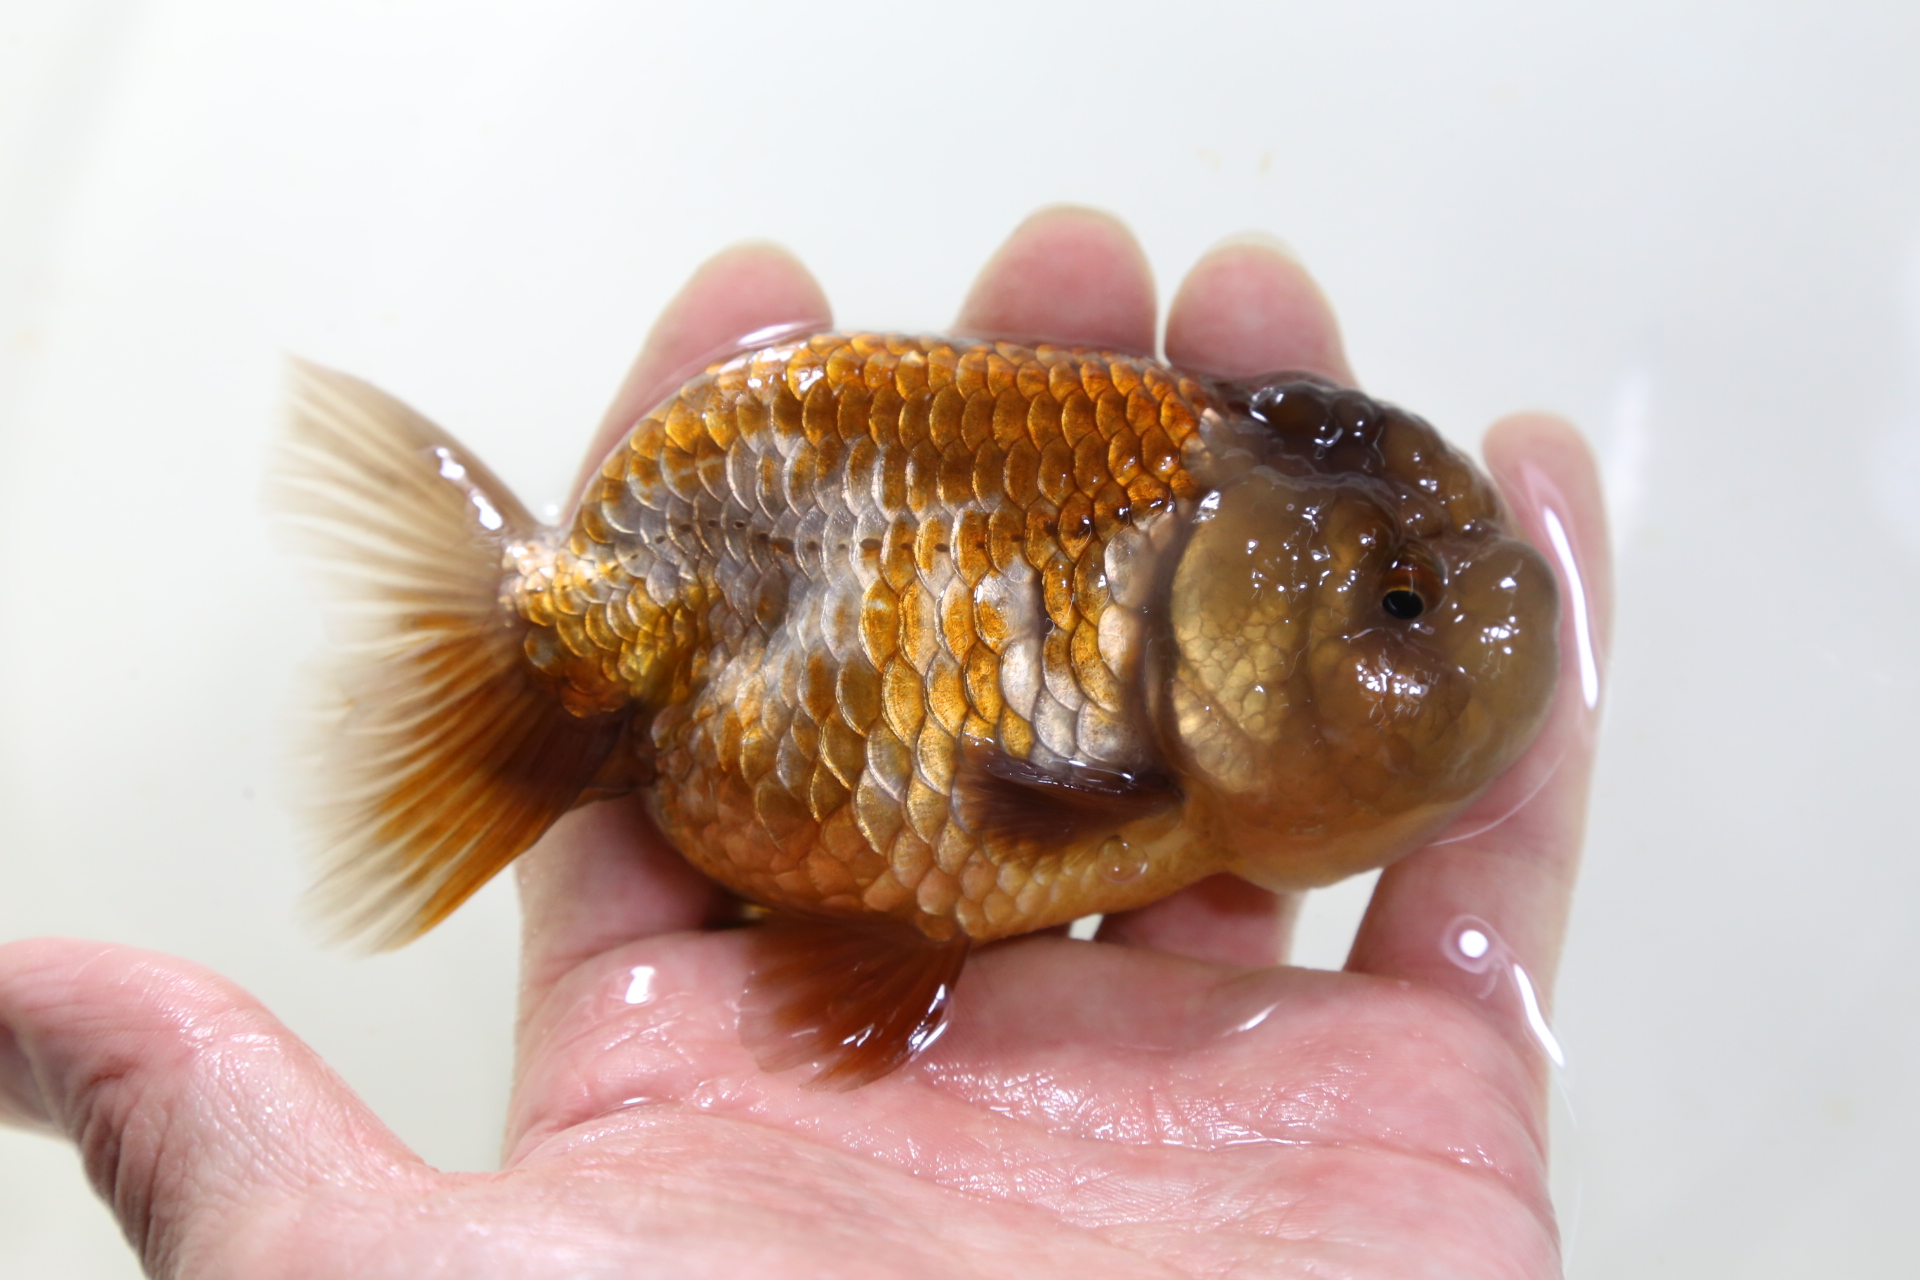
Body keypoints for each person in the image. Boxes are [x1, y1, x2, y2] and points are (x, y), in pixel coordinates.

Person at [0, 207, 1608, 1279]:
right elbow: (995, 814)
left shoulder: (1161, 776)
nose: (1419, 635)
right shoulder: (1127, 777)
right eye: (1396, 605)